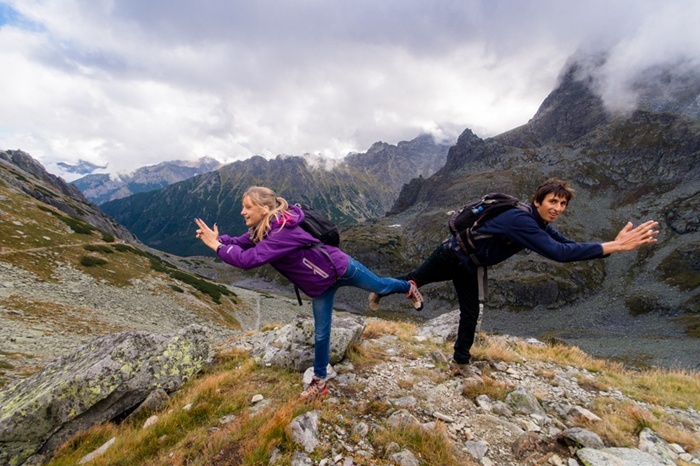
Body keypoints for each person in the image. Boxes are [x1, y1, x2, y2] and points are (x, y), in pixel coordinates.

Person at [369, 178, 659, 376]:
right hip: (451, 255)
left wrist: (611, 246)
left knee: (470, 312)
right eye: (552, 201)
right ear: (537, 200)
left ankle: (460, 363)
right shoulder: (521, 220)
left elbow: (567, 246)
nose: (557, 208)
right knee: (413, 280)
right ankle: (379, 289)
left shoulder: (539, 222)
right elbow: (558, 253)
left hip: (470, 265)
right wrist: (617, 245)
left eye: (562, 204)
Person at [194, 186, 424, 400]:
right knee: (322, 333)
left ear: (264, 209)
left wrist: (217, 247)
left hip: (341, 268)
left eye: (247, 207)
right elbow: (238, 244)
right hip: (319, 286)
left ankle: (408, 287)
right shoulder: (260, 229)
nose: (242, 212)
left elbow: (248, 260)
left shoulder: (283, 230)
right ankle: (319, 380)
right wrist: (219, 240)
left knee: (381, 286)